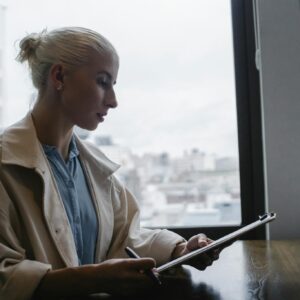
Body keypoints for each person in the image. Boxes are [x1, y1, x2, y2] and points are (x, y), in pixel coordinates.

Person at [0, 27, 220, 299]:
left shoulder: (92, 166)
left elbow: (123, 240)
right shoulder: (4, 164)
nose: (113, 101)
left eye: (113, 85)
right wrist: (93, 279)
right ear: (58, 76)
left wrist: (180, 249)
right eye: (103, 82)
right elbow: (5, 277)